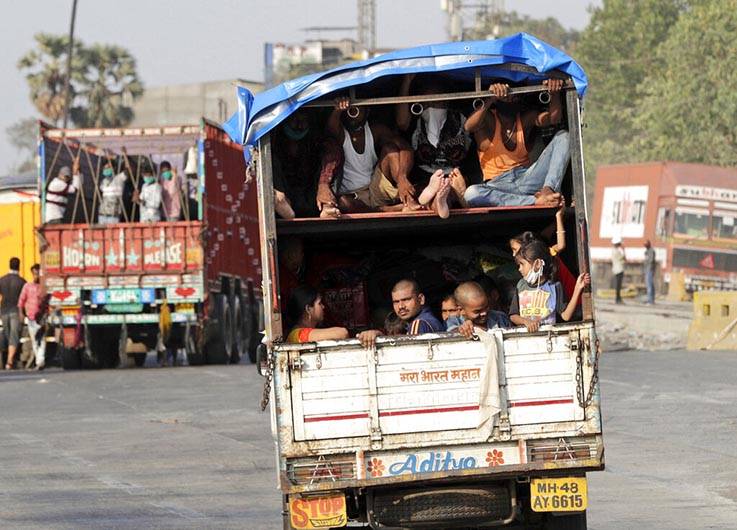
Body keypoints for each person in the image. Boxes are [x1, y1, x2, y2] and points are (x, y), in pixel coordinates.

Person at [463, 79, 568, 207]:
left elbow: (553, 119)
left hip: (527, 178)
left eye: (514, 97)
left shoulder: (525, 119)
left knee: (564, 136)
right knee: (471, 193)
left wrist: (554, 93)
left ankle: (548, 190)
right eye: (506, 96)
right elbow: (468, 127)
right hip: (498, 185)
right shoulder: (489, 119)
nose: (510, 99)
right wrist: (490, 98)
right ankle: (535, 201)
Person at [396, 75, 472, 218]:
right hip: (424, 176)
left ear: (446, 100)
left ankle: (437, 199)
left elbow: (473, 126)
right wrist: (406, 81)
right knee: (433, 192)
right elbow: (401, 122)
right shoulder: (417, 120)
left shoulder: (460, 119)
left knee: (447, 190)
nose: (432, 106)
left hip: (455, 175)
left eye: (436, 101)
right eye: (427, 102)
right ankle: (435, 199)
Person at [325, 97, 417, 213]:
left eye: (357, 109)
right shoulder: (341, 134)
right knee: (343, 203)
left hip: (376, 187)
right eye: (350, 110)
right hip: (355, 195)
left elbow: (405, 147)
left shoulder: (376, 131)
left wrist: (402, 178)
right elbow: (331, 129)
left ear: (367, 112)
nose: (352, 114)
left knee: (390, 150)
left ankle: (408, 200)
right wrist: (338, 110)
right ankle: (384, 210)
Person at [273, 111, 342, 219]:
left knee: (333, 154)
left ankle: (327, 206)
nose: (299, 125)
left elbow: (332, 150)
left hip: (313, 198)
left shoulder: (314, 141)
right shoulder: (276, 141)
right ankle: (281, 200)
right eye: (294, 120)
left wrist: (323, 183)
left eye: (303, 121)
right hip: (287, 198)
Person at [509, 240, 589, 332]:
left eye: (522, 264)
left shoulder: (555, 287)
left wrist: (578, 288)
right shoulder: (521, 285)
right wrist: (526, 321)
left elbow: (566, 316)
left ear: (538, 264)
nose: (519, 269)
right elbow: (513, 316)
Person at [357, 279, 444, 347]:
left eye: (406, 300)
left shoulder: (419, 323)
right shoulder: (428, 319)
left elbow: (407, 355)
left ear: (421, 299)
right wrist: (380, 336)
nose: (401, 306)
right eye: (396, 302)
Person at [285, 285, 349, 343]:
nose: (323, 306)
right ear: (308, 309)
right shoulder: (296, 335)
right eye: (319, 303)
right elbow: (342, 333)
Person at [18, 264, 46, 370]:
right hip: (31, 318)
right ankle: (39, 360)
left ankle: (40, 361)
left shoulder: (44, 287)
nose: (36, 276)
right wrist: (21, 313)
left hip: (42, 318)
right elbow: (21, 301)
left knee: (42, 339)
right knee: (35, 340)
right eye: (34, 274)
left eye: (38, 273)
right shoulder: (27, 286)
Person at [0, 258, 26, 369]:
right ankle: (10, 361)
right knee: (14, 336)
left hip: (4, 310)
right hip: (16, 311)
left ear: (9, 265)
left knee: (7, 334)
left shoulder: (2, 280)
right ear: (19, 266)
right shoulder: (22, 281)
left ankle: (8, 358)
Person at [98, 159, 129, 224]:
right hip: (102, 214)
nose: (106, 170)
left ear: (114, 168)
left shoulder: (119, 178)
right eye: (105, 168)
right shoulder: (103, 181)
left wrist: (125, 160)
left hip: (114, 215)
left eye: (108, 167)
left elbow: (127, 171)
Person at [611, 237, 626, 304]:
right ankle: (618, 299)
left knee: (618, 285)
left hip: (616, 269)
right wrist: (623, 250)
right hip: (619, 269)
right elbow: (624, 258)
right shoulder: (616, 251)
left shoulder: (614, 250)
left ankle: (618, 298)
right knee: (618, 285)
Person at [643, 239, 656, 305]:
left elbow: (651, 261)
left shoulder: (651, 251)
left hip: (649, 270)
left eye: (646, 244)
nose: (645, 245)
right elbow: (645, 261)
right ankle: (651, 299)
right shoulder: (646, 251)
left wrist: (650, 269)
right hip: (647, 269)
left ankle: (650, 300)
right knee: (650, 285)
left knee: (649, 285)